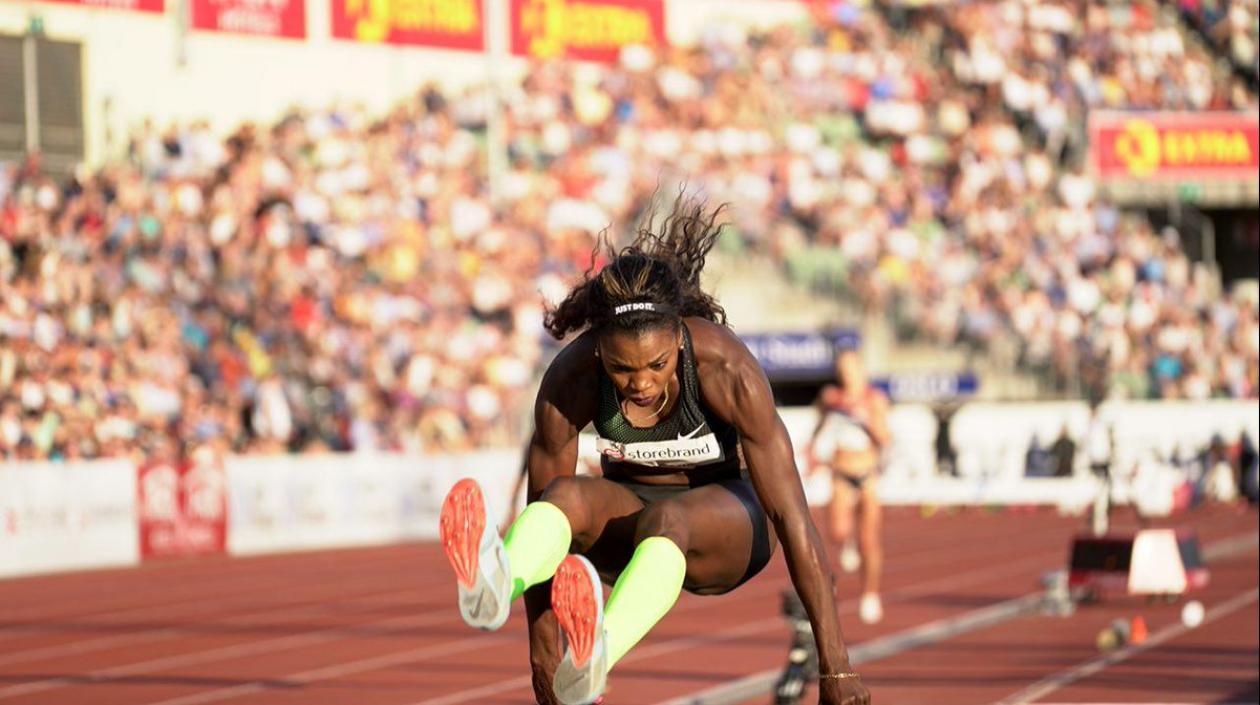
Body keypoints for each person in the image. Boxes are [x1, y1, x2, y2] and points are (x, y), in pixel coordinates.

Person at [439, 196, 869, 705]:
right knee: (561, 497)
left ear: (680, 342)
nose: (641, 383)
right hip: (631, 523)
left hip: (730, 526)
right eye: (623, 369)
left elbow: (793, 518)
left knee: (670, 522)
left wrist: (835, 666)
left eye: (658, 364)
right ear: (599, 349)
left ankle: (601, 647)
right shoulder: (571, 378)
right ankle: (496, 583)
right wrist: (543, 653)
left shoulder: (725, 368)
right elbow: (550, 529)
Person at [807, 350, 890, 625]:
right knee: (838, 531)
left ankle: (870, 593)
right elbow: (819, 428)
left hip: (867, 474)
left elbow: (885, 438)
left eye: (851, 369)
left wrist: (865, 418)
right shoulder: (830, 397)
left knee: (870, 540)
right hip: (840, 472)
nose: (846, 375)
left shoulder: (874, 398)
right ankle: (848, 541)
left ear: (860, 370)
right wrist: (812, 453)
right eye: (841, 369)